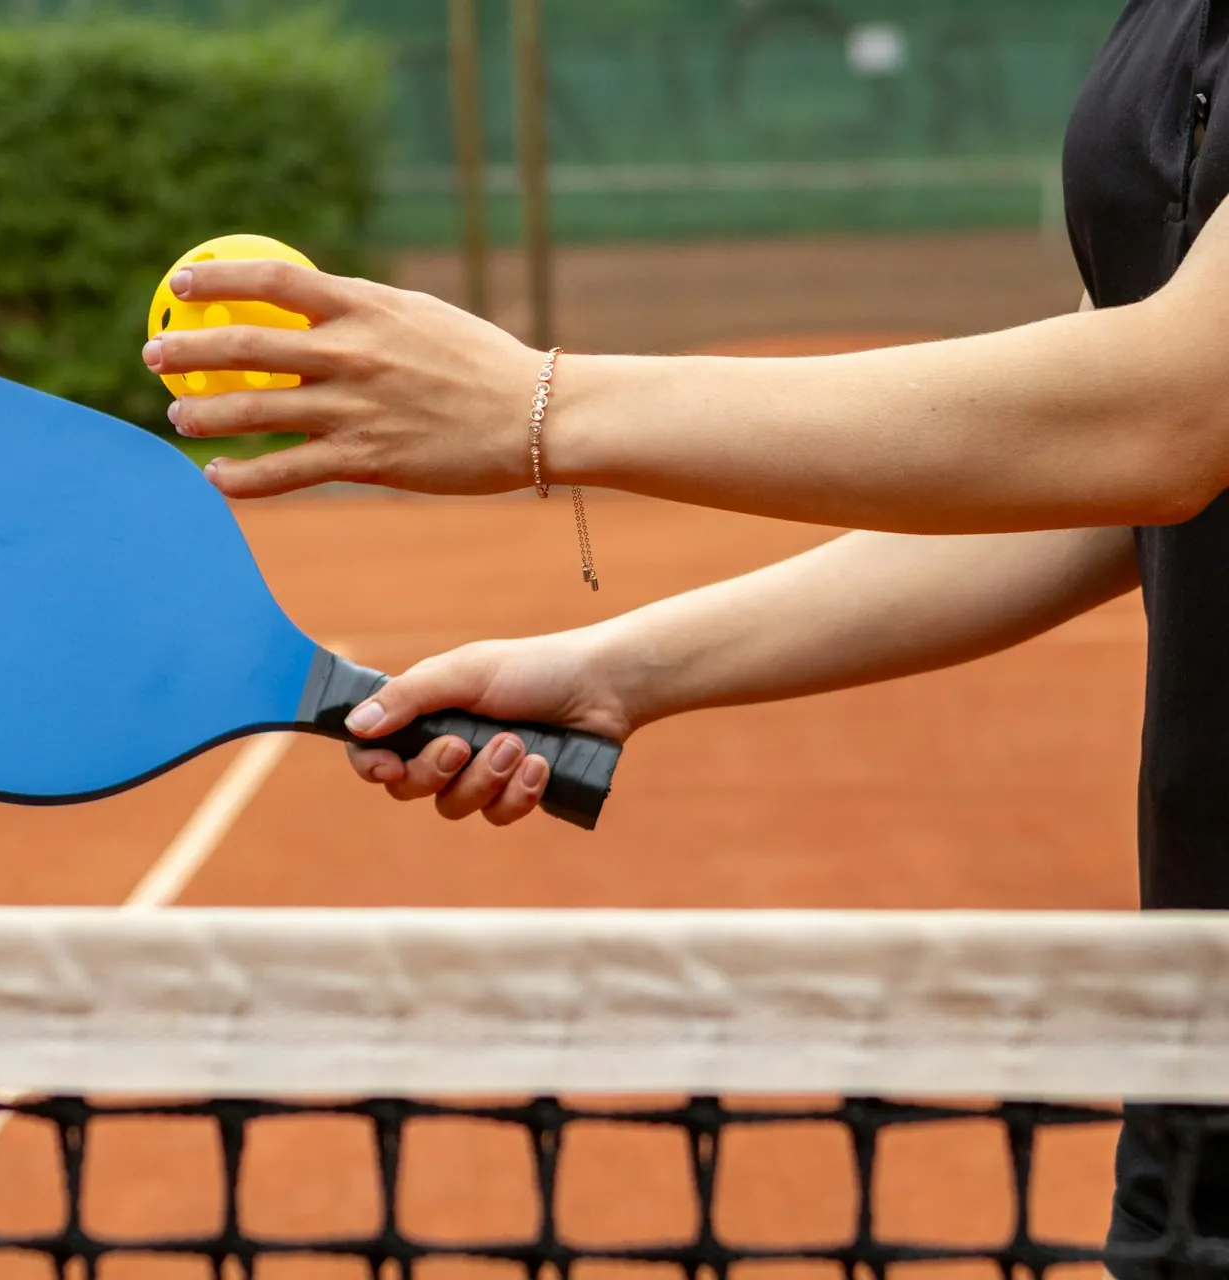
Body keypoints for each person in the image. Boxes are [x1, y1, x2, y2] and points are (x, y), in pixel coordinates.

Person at [140, 0, 1228, 1265]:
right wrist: (616, 669)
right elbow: (1104, 484)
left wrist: (533, 405)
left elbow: (1170, 410)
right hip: (1199, 1058)